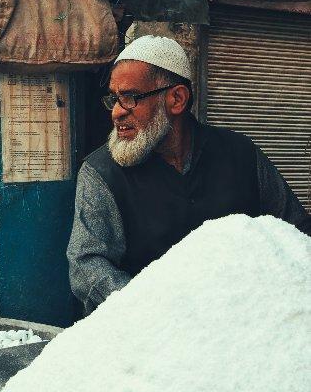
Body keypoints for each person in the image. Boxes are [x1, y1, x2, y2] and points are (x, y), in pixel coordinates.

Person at [67, 35, 311, 315]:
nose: (117, 113)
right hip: (149, 333)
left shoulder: (241, 154)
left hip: (243, 326)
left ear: (177, 99)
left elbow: (297, 231)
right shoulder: (101, 172)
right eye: (115, 98)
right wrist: (158, 310)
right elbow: (87, 265)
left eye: (131, 97)